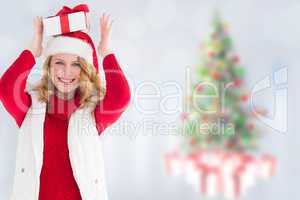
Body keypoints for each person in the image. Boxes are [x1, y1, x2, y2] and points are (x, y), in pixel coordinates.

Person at [0, 4, 131, 200]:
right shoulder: (30, 107)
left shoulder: (92, 111)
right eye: (59, 62)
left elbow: (121, 97)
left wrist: (106, 53)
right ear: (49, 65)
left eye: (76, 64)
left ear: (85, 68)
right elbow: (6, 88)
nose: (67, 72)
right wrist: (32, 50)